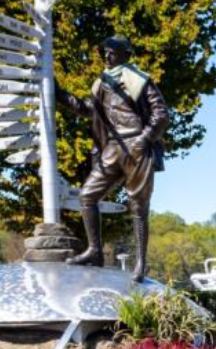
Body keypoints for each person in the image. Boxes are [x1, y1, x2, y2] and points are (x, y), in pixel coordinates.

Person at [62, 34, 170, 272]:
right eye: (106, 51)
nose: (107, 55)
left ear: (125, 54)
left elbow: (161, 113)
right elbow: (87, 110)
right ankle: (94, 251)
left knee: (138, 206)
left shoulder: (139, 80)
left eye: (112, 51)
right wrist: (59, 94)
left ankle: (141, 263)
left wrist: (144, 139)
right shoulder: (101, 83)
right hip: (112, 148)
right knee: (87, 196)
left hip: (136, 146)